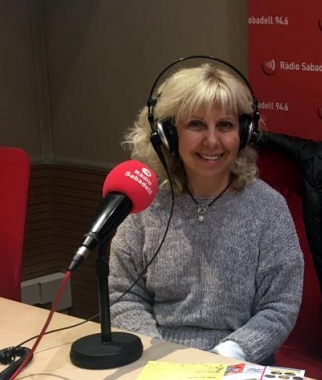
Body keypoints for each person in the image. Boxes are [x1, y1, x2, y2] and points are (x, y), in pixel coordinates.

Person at [108, 62, 303, 365]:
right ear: (168, 134)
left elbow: (281, 305)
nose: (212, 141)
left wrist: (222, 358)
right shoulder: (145, 204)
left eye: (225, 125)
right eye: (196, 124)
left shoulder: (268, 208)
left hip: (239, 361)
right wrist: (158, 356)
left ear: (244, 132)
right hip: (157, 359)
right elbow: (124, 295)